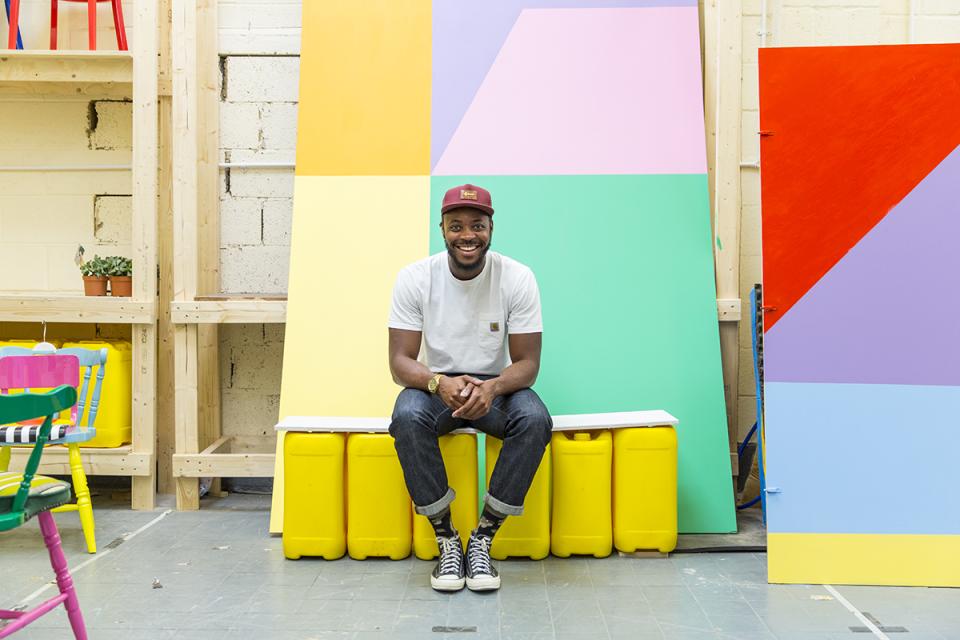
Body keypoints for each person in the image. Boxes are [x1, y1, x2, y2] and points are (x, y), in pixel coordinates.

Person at [387, 184, 552, 592]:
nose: (467, 235)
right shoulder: (414, 278)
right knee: (406, 416)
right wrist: (437, 382)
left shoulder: (517, 277)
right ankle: (446, 538)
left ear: (491, 228)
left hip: (496, 387)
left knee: (534, 418)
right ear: (441, 229)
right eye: (456, 225)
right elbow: (400, 362)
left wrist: (493, 388)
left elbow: (528, 365)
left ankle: (482, 538)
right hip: (436, 387)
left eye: (477, 225)